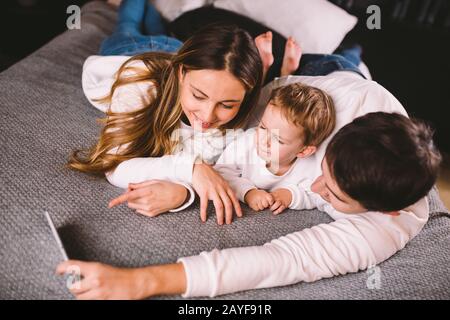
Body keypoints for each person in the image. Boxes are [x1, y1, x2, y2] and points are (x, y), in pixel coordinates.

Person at [57, 112, 441, 299]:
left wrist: (139, 282)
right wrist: (190, 178)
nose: (314, 185)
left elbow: (276, 262)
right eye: (322, 170)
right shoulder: (350, 113)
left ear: (384, 211)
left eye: (335, 195)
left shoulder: (382, 230)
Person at [69, 0, 265, 225]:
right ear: (182, 74)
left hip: (176, 48)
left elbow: (217, 167)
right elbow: (114, 165)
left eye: (227, 105)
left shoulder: (233, 98)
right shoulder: (139, 84)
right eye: (198, 96)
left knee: (159, 27)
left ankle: (155, 15)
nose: (208, 116)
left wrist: (183, 192)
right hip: (130, 52)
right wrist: (192, 169)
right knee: (128, 24)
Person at [214, 83, 335, 214]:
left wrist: (290, 195)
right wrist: (248, 192)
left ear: (303, 151)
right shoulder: (245, 144)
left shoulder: (310, 167)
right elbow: (221, 173)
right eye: (263, 127)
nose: (264, 141)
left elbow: (315, 195)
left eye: (278, 139)